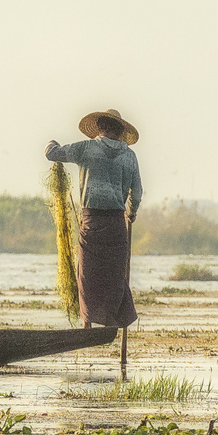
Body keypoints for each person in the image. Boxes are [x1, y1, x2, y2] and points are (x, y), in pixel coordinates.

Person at [46, 109, 143, 329]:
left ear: (100, 127)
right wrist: (132, 212)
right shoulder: (129, 156)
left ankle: (87, 324)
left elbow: (53, 153)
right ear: (119, 132)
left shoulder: (86, 148)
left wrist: (50, 143)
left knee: (87, 275)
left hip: (92, 222)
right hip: (117, 225)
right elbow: (136, 192)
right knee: (114, 277)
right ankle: (111, 323)